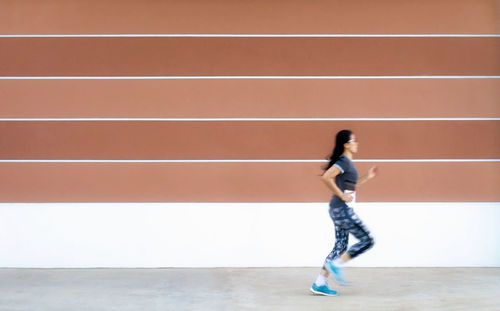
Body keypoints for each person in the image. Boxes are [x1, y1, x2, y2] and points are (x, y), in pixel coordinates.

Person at [310, 129, 377, 296]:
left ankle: (319, 283)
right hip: (341, 210)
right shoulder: (343, 161)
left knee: (340, 246)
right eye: (353, 140)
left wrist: (366, 178)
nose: (356, 143)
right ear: (346, 144)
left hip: (338, 209)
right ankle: (338, 264)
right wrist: (341, 195)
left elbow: (351, 189)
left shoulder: (347, 163)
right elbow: (326, 177)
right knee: (368, 240)